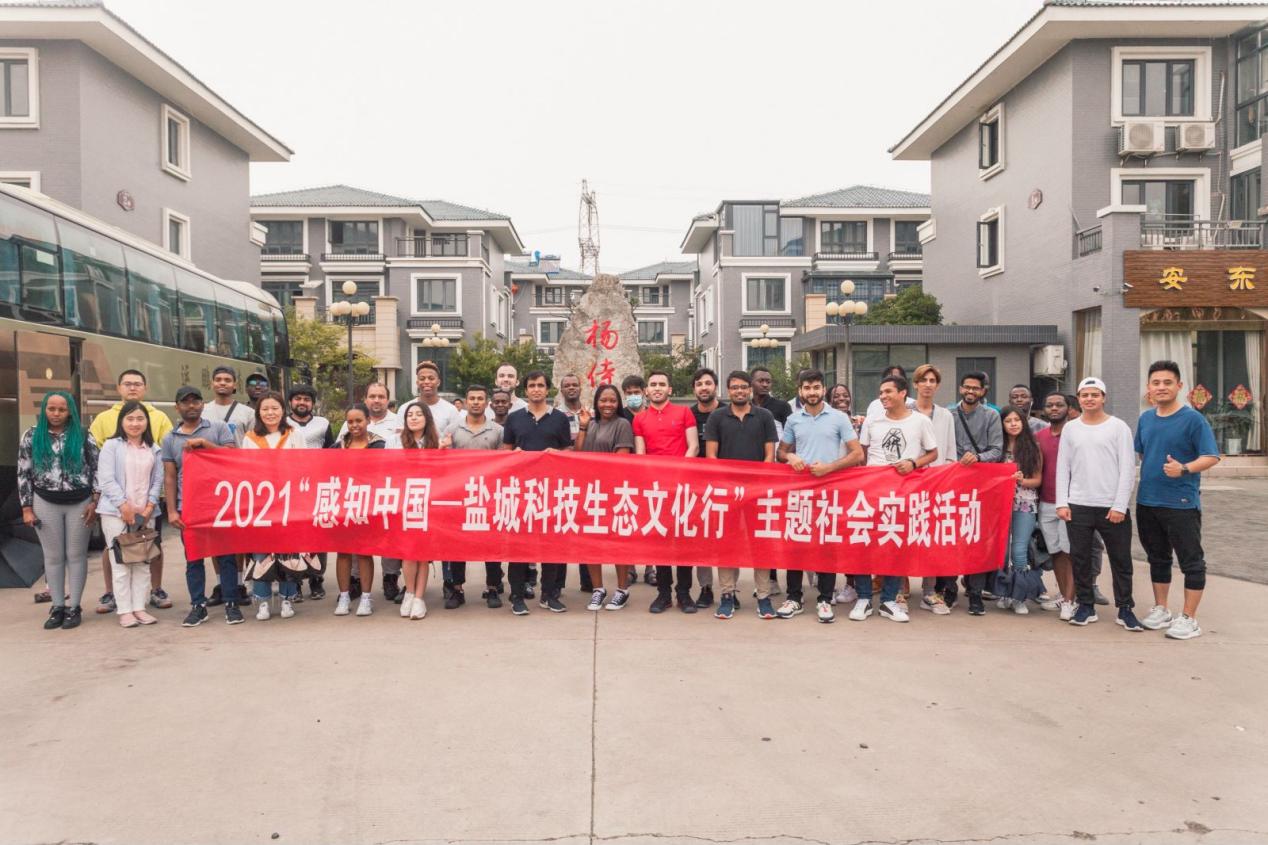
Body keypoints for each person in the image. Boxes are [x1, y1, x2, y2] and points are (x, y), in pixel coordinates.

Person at [1134, 360, 1221, 640]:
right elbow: (1142, 453)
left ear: (1179, 386)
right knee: (1157, 558)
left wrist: (1183, 468)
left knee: (1191, 561)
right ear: (1149, 387)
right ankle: (1161, 609)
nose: (1161, 387)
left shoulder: (1193, 419)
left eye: (1167, 382)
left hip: (1181, 503)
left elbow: (1211, 456)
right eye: (1156, 382)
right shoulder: (1146, 419)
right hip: (1148, 501)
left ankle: (1189, 618)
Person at [776, 369, 864, 623]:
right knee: (796, 544)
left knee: (826, 546)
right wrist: (790, 456)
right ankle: (794, 597)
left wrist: (829, 468)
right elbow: (781, 452)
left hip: (829, 490)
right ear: (800, 391)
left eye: (816, 387)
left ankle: (825, 599)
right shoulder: (793, 419)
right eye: (807, 387)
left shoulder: (839, 418)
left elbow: (857, 454)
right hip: (800, 492)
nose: (812, 392)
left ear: (823, 389)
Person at [851, 375, 938, 623]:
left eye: (888, 391)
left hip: (903, 493)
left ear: (903, 393)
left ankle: (889, 600)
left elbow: (933, 453)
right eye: (881, 392)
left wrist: (913, 463)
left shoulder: (920, 421)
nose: (883, 396)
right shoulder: (872, 420)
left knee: (896, 546)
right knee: (863, 544)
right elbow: (862, 455)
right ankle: (863, 598)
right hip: (871, 493)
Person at [1055, 377, 1139, 630]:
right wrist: (1062, 502)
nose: (1089, 399)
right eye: (1085, 395)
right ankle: (1086, 606)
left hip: (1111, 506)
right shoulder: (1071, 428)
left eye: (1094, 395)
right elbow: (1063, 467)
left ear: (1103, 398)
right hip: (1078, 503)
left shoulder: (1118, 427)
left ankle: (1125, 608)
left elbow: (1127, 468)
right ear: (1078, 399)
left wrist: (1120, 505)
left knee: (1120, 559)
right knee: (1080, 558)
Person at [89, 369, 172, 614]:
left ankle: (154, 591)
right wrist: (120, 504)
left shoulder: (159, 418)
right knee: (115, 551)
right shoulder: (104, 419)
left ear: (145, 388)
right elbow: (97, 461)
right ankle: (112, 595)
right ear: (118, 388)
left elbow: (162, 462)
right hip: (116, 506)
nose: (132, 388)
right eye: (127, 384)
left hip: (147, 506)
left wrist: (151, 504)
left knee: (149, 550)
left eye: (137, 384)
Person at [19, 391, 99, 630]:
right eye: (51, 409)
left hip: (80, 502)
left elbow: (97, 469)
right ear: (44, 409)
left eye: (61, 409)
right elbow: (23, 473)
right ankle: (57, 607)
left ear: (70, 411)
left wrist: (95, 501)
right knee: (53, 557)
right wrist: (26, 507)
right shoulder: (31, 436)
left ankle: (74, 607)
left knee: (76, 555)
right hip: (45, 501)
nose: (56, 414)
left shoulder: (83, 435)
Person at [162, 386, 241, 627]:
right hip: (189, 507)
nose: (191, 406)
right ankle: (198, 605)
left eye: (196, 401)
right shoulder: (170, 438)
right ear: (177, 407)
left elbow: (232, 456)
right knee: (193, 559)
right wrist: (172, 510)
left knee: (226, 556)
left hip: (220, 504)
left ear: (202, 405)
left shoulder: (218, 428)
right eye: (185, 402)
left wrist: (206, 444)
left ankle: (231, 603)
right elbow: (170, 477)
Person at [705, 371, 778, 620]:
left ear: (750, 390)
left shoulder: (764, 416)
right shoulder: (717, 417)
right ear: (728, 390)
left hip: (758, 493)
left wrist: (758, 486)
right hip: (727, 493)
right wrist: (727, 487)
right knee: (727, 545)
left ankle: (764, 596)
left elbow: (769, 455)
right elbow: (711, 456)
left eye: (743, 387)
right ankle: (727, 595)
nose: (739, 391)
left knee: (761, 545)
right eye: (734, 387)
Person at [501, 371, 573, 615]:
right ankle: (517, 596)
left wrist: (557, 454)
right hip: (521, 491)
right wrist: (513, 456)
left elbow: (569, 452)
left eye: (540, 385)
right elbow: (505, 452)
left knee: (551, 545)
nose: (536, 389)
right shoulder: (514, 418)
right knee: (519, 547)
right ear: (526, 390)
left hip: (551, 491)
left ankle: (549, 595)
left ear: (548, 389)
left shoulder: (560, 419)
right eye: (532, 385)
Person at [634, 369, 700, 614]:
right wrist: (653, 479)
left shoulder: (684, 413)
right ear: (646, 391)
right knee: (660, 541)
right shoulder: (639, 419)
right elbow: (640, 453)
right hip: (656, 489)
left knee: (683, 542)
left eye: (662, 384)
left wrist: (678, 474)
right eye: (653, 384)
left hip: (682, 487)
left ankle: (684, 593)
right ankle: (663, 593)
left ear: (669, 389)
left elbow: (693, 446)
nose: (657, 388)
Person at [238, 392, 306, 621]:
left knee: (288, 552)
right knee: (262, 553)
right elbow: (246, 470)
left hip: (289, 501)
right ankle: (263, 600)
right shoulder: (250, 438)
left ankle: (287, 598)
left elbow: (305, 465)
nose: (270, 413)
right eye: (265, 409)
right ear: (258, 412)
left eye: (275, 408)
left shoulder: (294, 434)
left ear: (283, 410)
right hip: (261, 503)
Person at [96, 401, 163, 628]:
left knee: (143, 561)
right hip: (115, 514)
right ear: (122, 421)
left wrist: (149, 507)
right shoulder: (111, 446)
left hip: (146, 514)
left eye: (140, 419)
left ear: (147, 422)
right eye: (130, 419)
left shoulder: (154, 449)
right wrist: (123, 506)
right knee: (121, 563)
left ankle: (139, 608)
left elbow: (157, 481)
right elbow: (106, 479)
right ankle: (125, 610)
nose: (135, 423)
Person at [441, 385, 506, 610]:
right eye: (472, 398)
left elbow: (504, 462)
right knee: (457, 544)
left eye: (480, 398)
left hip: (489, 495)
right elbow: (443, 462)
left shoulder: (498, 430)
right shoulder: (452, 429)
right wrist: (443, 449)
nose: (476, 402)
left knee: (491, 544)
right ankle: (457, 589)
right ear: (466, 402)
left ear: (486, 403)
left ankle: (493, 588)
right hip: (460, 494)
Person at [340, 383, 404, 601]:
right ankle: (356, 579)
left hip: (385, 490)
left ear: (387, 399)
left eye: (381, 396)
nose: (377, 400)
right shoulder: (349, 423)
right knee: (357, 537)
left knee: (388, 537)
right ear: (366, 399)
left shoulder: (398, 421)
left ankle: (390, 578)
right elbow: (337, 453)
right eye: (372, 396)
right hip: (355, 492)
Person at [576, 383, 637, 610]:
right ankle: (598, 589)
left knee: (617, 541)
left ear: (618, 403)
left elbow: (621, 460)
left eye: (612, 400)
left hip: (614, 492)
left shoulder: (622, 424)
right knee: (591, 542)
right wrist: (583, 427)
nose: (607, 404)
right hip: (590, 492)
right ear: (596, 403)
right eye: (603, 400)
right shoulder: (591, 424)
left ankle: (622, 589)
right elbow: (578, 454)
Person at [950, 370, 1004, 616]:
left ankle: (975, 593)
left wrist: (978, 458)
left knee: (977, 539)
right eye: (967, 387)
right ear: (960, 388)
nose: (970, 391)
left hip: (981, 487)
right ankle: (949, 588)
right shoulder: (949, 415)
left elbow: (997, 450)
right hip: (951, 485)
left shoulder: (991, 416)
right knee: (950, 537)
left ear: (983, 391)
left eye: (975, 388)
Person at [331, 403, 387, 617]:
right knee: (343, 552)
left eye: (359, 421)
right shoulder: (337, 447)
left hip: (367, 503)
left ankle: (366, 598)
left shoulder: (379, 445)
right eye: (350, 422)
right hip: (342, 504)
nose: (354, 425)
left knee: (364, 552)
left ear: (368, 421)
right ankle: (344, 596)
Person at [910, 364, 958, 615]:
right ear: (915, 384)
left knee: (931, 539)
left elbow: (950, 452)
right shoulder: (904, 411)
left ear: (937, 386)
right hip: (908, 481)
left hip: (937, 484)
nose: (928, 384)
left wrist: (943, 479)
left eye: (932, 381)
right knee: (903, 536)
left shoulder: (946, 415)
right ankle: (899, 590)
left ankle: (929, 591)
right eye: (923, 380)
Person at [391, 401, 441, 620]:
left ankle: (420, 598)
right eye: (409, 414)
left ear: (426, 418)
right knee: (409, 552)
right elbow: (388, 469)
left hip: (428, 503)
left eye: (418, 414)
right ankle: (409, 593)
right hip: (404, 502)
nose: (413, 418)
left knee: (423, 553)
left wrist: (442, 451)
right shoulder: (395, 441)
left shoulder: (436, 442)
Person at [285, 384, 333, 600]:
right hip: (289, 487)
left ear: (313, 403)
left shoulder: (323, 424)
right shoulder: (282, 423)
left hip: (316, 487)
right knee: (293, 535)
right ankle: (294, 580)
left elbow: (332, 453)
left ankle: (316, 579)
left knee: (317, 535)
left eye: (306, 399)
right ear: (291, 402)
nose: (302, 402)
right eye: (298, 399)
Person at [997, 406, 1043, 614]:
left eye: (1017, 420)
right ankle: (1004, 592)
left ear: (1024, 422)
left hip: (1025, 503)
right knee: (1002, 551)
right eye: (1008, 421)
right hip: (1000, 504)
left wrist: (1022, 481)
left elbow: (1037, 480)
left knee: (1019, 550)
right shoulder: (997, 448)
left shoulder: (1033, 448)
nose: (1013, 424)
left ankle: (1019, 596)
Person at [689, 367, 721, 607]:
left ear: (715, 387)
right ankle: (706, 588)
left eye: (708, 383)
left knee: (727, 540)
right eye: (699, 384)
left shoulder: (728, 412)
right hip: (696, 487)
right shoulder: (688, 415)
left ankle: (729, 590)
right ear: (694, 389)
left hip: (725, 485)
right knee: (701, 541)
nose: (704, 387)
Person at [399, 360, 460, 440]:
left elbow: (456, 439)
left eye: (431, 378)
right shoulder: (405, 409)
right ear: (417, 383)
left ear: (438, 382)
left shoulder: (451, 410)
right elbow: (399, 439)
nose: (426, 382)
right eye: (422, 379)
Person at [204, 366, 256, 445]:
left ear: (235, 385)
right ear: (212, 384)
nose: (222, 383)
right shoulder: (202, 411)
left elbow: (254, 444)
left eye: (227, 380)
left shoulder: (249, 413)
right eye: (218, 380)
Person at [556, 373, 585, 443]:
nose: (571, 388)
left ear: (580, 389)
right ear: (561, 391)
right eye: (566, 386)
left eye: (575, 385)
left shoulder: (591, 413)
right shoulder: (555, 415)